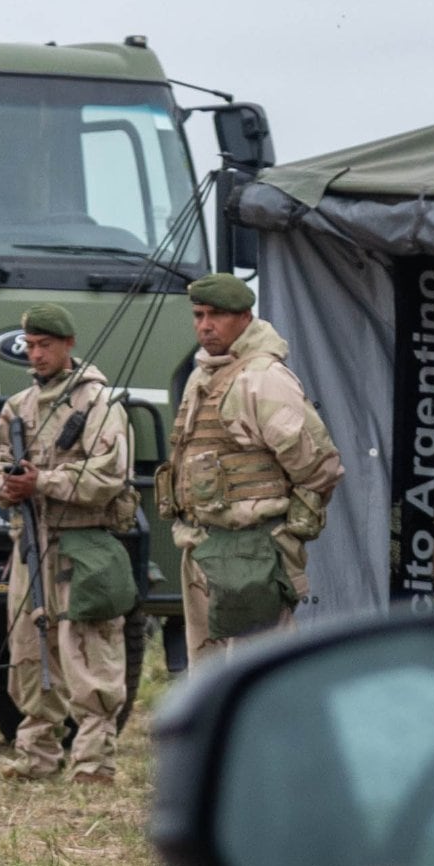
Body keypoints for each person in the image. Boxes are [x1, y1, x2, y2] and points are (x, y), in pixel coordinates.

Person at [0, 303, 140, 781]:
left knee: (89, 651)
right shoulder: (19, 407)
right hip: (31, 543)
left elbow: (109, 473)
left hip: (83, 543)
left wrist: (42, 481)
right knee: (30, 648)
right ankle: (36, 756)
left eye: (46, 345)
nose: (37, 354)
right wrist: (4, 485)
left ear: (68, 346)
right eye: (30, 345)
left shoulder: (99, 404)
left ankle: (93, 761)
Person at [159, 272, 343, 663]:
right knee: (208, 676)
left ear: (245, 316)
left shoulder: (263, 378)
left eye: (216, 315)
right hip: (203, 544)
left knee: (258, 670)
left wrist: (286, 533)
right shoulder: (202, 375)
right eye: (198, 314)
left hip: (251, 550)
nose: (204, 325)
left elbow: (319, 466)